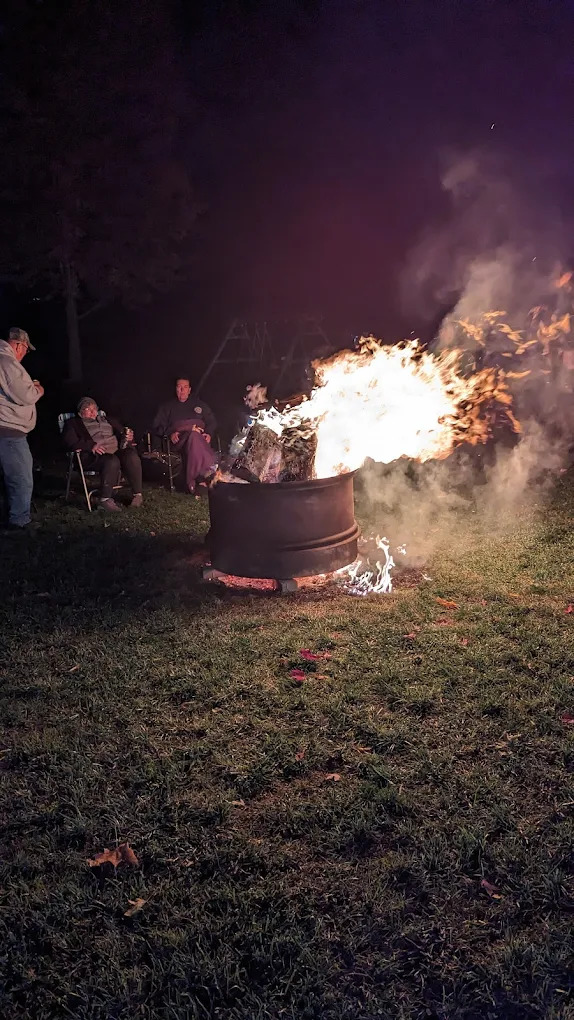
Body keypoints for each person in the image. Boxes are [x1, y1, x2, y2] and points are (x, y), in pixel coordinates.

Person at [62, 397, 143, 511]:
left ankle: (137, 495)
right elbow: (69, 441)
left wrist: (128, 437)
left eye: (94, 408)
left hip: (117, 451)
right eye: (88, 409)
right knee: (111, 460)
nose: (93, 412)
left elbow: (122, 433)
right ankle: (104, 500)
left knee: (131, 456)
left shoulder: (108, 419)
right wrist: (91, 446)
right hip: (93, 456)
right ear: (80, 412)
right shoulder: (73, 423)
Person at [0, 327, 44, 530]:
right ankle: (19, 520)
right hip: (9, 431)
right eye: (26, 350)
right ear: (19, 345)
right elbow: (25, 396)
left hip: (8, 430)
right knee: (21, 478)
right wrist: (37, 389)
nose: (25, 355)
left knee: (12, 476)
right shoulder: (7, 362)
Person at [152, 377, 218, 494]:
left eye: (185, 387)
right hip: (178, 442)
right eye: (179, 387)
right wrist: (170, 433)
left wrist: (209, 434)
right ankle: (203, 476)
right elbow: (157, 426)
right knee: (193, 435)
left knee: (194, 436)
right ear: (175, 389)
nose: (182, 390)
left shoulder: (200, 405)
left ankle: (198, 479)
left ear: (189, 390)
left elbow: (212, 422)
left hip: (200, 440)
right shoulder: (167, 407)